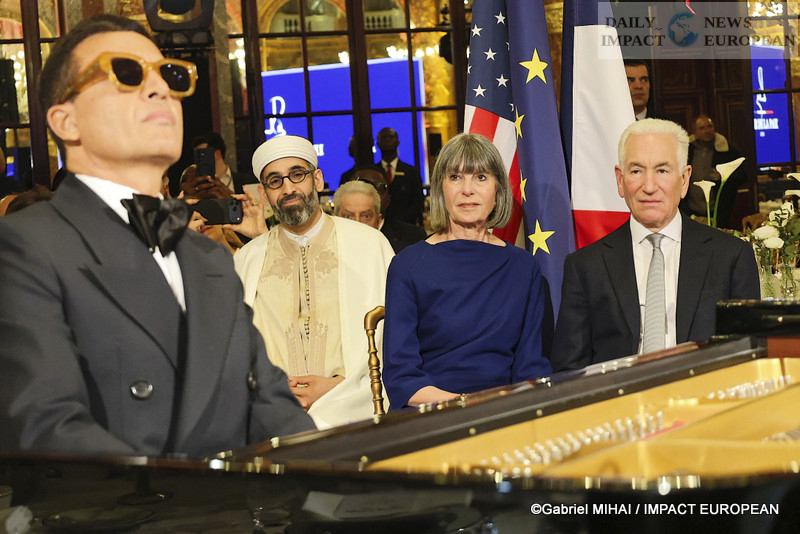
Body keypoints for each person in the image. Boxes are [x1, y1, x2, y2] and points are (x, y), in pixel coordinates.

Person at [0, 15, 315, 458]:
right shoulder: (23, 246)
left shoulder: (207, 257)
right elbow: (47, 429)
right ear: (66, 122)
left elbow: (271, 407)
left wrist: (338, 485)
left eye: (169, 75)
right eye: (127, 74)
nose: (160, 89)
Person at [551, 119, 760, 372]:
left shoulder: (731, 257)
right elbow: (569, 371)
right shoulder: (585, 266)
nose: (649, 187)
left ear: (684, 180)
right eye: (636, 171)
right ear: (620, 180)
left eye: (662, 171)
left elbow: (749, 360)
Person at [234, 135, 395, 428]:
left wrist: (339, 386)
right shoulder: (247, 259)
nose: (288, 189)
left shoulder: (370, 245)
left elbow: (394, 336)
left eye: (297, 174)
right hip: (272, 417)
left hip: (354, 411)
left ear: (317, 179)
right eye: (275, 181)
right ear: (264, 194)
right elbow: (236, 350)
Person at [382, 133, 552, 410]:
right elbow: (402, 378)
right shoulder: (407, 265)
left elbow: (531, 369)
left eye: (480, 177)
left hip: (506, 412)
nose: (467, 190)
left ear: (498, 190)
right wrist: (466, 405)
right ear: (441, 189)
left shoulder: (523, 267)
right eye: (455, 177)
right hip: (430, 414)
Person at [680, 114, 747, 229]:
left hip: (719, 212)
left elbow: (743, 176)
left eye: (710, 126)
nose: (707, 131)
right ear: (694, 132)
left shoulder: (727, 150)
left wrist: (724, 176)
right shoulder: (687, 151)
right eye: (702, 128)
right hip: (691, 211)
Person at [347, 167, 427, 253]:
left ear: (388, 199)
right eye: (360, 188)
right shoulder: (338, 236)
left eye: (377, 187)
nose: (368, 195)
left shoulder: (413, 237)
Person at [375, 127, 425, 225]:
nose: (388, 140)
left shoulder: (411, 172)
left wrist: (401, 221)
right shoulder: (374, 172)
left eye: (391, 137)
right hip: (379, 225)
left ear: (397, 142)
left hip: (407, 226)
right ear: (378, 144)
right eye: (384, 137)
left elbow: (418, 202)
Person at [189, 131, 256, 195]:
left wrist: (231, 197)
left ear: (217, 154)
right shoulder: (196, 185)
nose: (199, 160)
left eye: (202, 154)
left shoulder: (248, 181)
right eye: (197, 155)